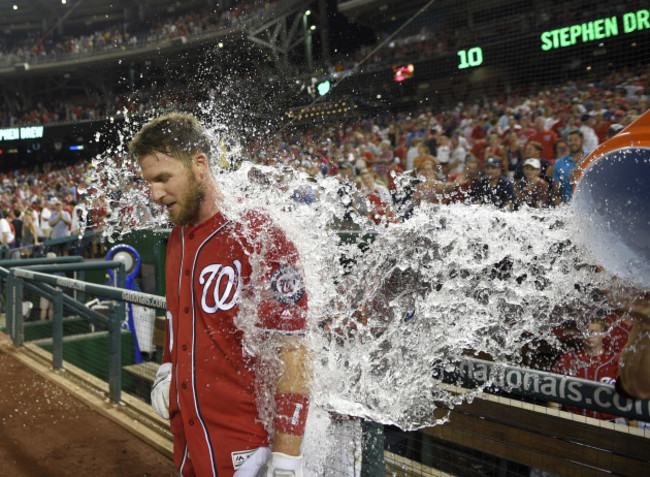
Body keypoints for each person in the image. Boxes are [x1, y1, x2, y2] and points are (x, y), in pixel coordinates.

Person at [129, 113, 311, 477]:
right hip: (188, 439)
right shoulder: (178, 233)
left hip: (248, 448)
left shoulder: (260, 233)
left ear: (199, 165)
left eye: (163, 179)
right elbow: (176, 316)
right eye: (148, 182)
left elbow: (294, 351)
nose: (154, 194)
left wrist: (288, 458)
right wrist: (167, 365)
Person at [552, 129, 586, 205]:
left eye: (575, 140)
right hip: (568, 205)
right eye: (570, 140)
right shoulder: (559, 162)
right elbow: (557, 193)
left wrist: (578, 166)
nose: (572, 142)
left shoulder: (590, 157)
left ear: (582, 141)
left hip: (588, 204)